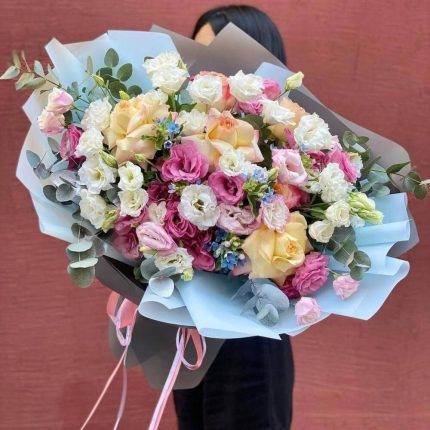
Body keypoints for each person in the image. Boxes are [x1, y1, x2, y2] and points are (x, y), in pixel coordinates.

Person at [172, 6, 294, 430]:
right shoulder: (179, 137)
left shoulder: (287, 149)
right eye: (196, 56)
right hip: (192, 334)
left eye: (218, 57)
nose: (204, 72)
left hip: (251, 337)